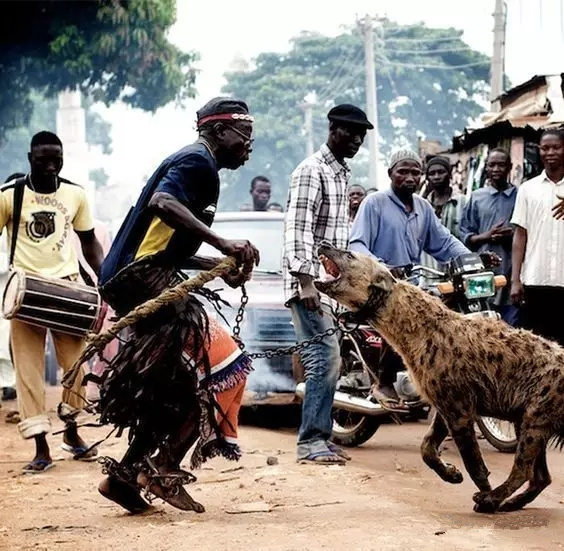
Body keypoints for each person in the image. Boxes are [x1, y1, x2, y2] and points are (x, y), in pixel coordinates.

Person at [95, 97, 260, 514]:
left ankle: (124, 479)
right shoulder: (196, 163)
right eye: (244, 134)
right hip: (141, 281)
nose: (249, 145)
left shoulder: (199, 165)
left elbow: (167, 246)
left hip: (141, 277)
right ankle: (163, 465)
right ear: (219, 131)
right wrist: (223, 243)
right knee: (225, 366)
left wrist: (217, 265)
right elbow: (162, 205)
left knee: (175, 384)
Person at [0, 131, 104, 473]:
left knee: (76, 367)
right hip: (25, 292)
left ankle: (72, 433)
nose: (50, 165)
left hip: (67, 291)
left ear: (62, 159)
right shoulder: (9, 196)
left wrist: (103, 278)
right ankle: (42, 449)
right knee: (28, 373)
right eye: (43, 158)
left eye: (56, 158)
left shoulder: (75, 194)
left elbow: (89, 242)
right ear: (30, 158)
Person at [283, 103, 373, 465]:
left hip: (331, 287)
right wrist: (305, 281)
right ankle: (310, 442)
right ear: (333, 130)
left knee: (330, 361)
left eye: (362, 136)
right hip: (310, 286)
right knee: (324, 360)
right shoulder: (312, 171)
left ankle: (319, 436)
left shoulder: (341, 174)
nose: (356, 140)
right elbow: (297, 229)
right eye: (350, 133)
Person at [349, 149, 471, 410]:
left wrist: (473, 259)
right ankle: (383, 382)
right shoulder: (374, 203)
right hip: (378, 286)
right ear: (390, 173)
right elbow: (357, 243)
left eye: (415, 172)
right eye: (402, 171)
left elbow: (444, 242)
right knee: (401, 322)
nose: (409, 177)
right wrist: (383, 267)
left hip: (413, 285)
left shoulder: (423, 208)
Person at [511, 128, 564, 345]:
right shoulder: (527, 189)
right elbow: (520, 235)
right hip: (535, 281)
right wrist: (515, 280)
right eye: (545, 148)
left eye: (556, 147)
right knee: (537, 348)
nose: (550, 152)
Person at [460, 148, 519, 326]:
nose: (496, 169)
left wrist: (512, 236)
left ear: (509, 168)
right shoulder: (477, 197)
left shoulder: (520, 196)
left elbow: (529, 234)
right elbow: (465, 236)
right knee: (483, 325)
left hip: (512, 270)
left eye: (501, 165)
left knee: (511, 325)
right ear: (486, 168)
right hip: (482, 272)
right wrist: (486, 236)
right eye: (491, 165)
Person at [73, 220, 117, 400]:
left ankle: (96, 385)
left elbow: (106, 261)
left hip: (98, 292)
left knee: (109, 338)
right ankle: (82, 388)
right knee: (74, 345)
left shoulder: (100, 228)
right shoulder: (60, 227)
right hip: (71, 291)